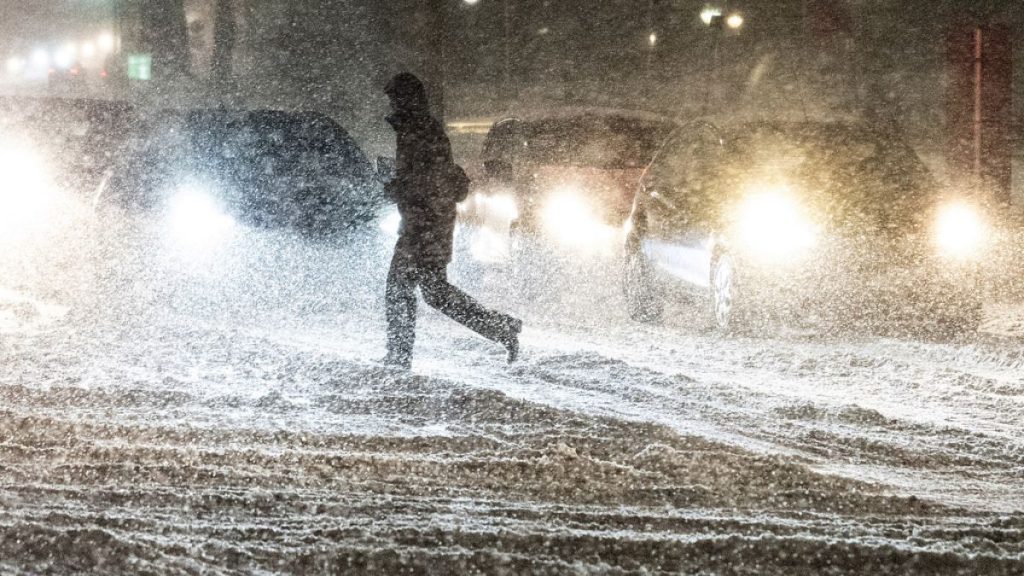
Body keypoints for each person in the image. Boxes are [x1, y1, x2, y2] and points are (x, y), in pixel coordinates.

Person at [382, 72, 522, 370]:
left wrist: (395, 188)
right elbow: (431, 178)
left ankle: (399, 355)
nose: (392, 105)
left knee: (405, 288)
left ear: (407, 100)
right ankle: (500, 328)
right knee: (430, 292)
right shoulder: (417, 129)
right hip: (427, 221)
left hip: (426, 224)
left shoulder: (419, 131)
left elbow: (428, 181)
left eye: (395, 99)